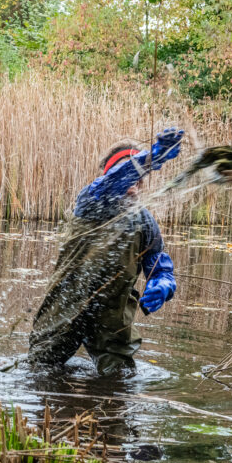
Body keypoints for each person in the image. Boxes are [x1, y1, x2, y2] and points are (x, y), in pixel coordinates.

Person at [28, 128, 184, 376]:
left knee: (119, 378)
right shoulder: (91, 199)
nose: (135, 181)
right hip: (67, 302)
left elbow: (159, 264)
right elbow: (117, 179)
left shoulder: (145, 222)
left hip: (113, 313)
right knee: (41, 371)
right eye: (132, 171)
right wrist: (150, 159)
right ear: (110, 172)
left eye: (140, 177)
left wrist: (163, 283)